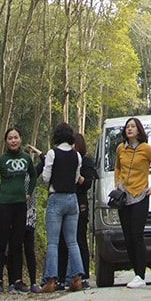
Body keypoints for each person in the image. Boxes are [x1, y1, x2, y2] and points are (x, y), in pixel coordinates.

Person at [112, 116, 151, 289]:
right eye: (128, 127)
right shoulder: (121, 148)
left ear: (139, 130)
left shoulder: (146, 149)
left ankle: (141, 275)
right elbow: (117, 167)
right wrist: (116, 184)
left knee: (137, 235)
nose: (130, 129)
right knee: (127, 237)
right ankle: (136, 273)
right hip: (123, 197)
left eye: (133, 127)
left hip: (140, 196)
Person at [0, 127, 36, 292]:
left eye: (16, 137)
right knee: (0, 243)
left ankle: (17, 280)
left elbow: (33, 176)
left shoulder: (26, 158)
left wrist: (28, 193)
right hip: (4, 205)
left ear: (20, 140)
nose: (13, 140)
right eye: (10, 138)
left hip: (20, 206)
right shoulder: (1, 160)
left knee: (17, 243)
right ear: (6, 141)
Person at [38, 122, 86, 292]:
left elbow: (45, 177)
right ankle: (77, 278)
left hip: (56, 197)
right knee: (72, 241)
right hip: (72, 198)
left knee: (53, 242)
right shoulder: (77, 156)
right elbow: (76, 178)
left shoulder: (52, 154)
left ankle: (50, 280)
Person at [74, 134, 98, 287]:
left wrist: (78, 176)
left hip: (80, 199)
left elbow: (89, 183)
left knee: (80, 237)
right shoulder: (67, 158)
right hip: (67, 198)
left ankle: (84, 273)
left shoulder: (86, 161)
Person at [21, 135, 43, 290]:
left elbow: (46, 160)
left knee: (29, 249)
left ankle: (33, 281)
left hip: (29, 215)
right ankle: (15, 281)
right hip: (14, 213)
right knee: (15, 249)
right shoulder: (10, 174)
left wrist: (34, 150)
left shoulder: (33, 173)